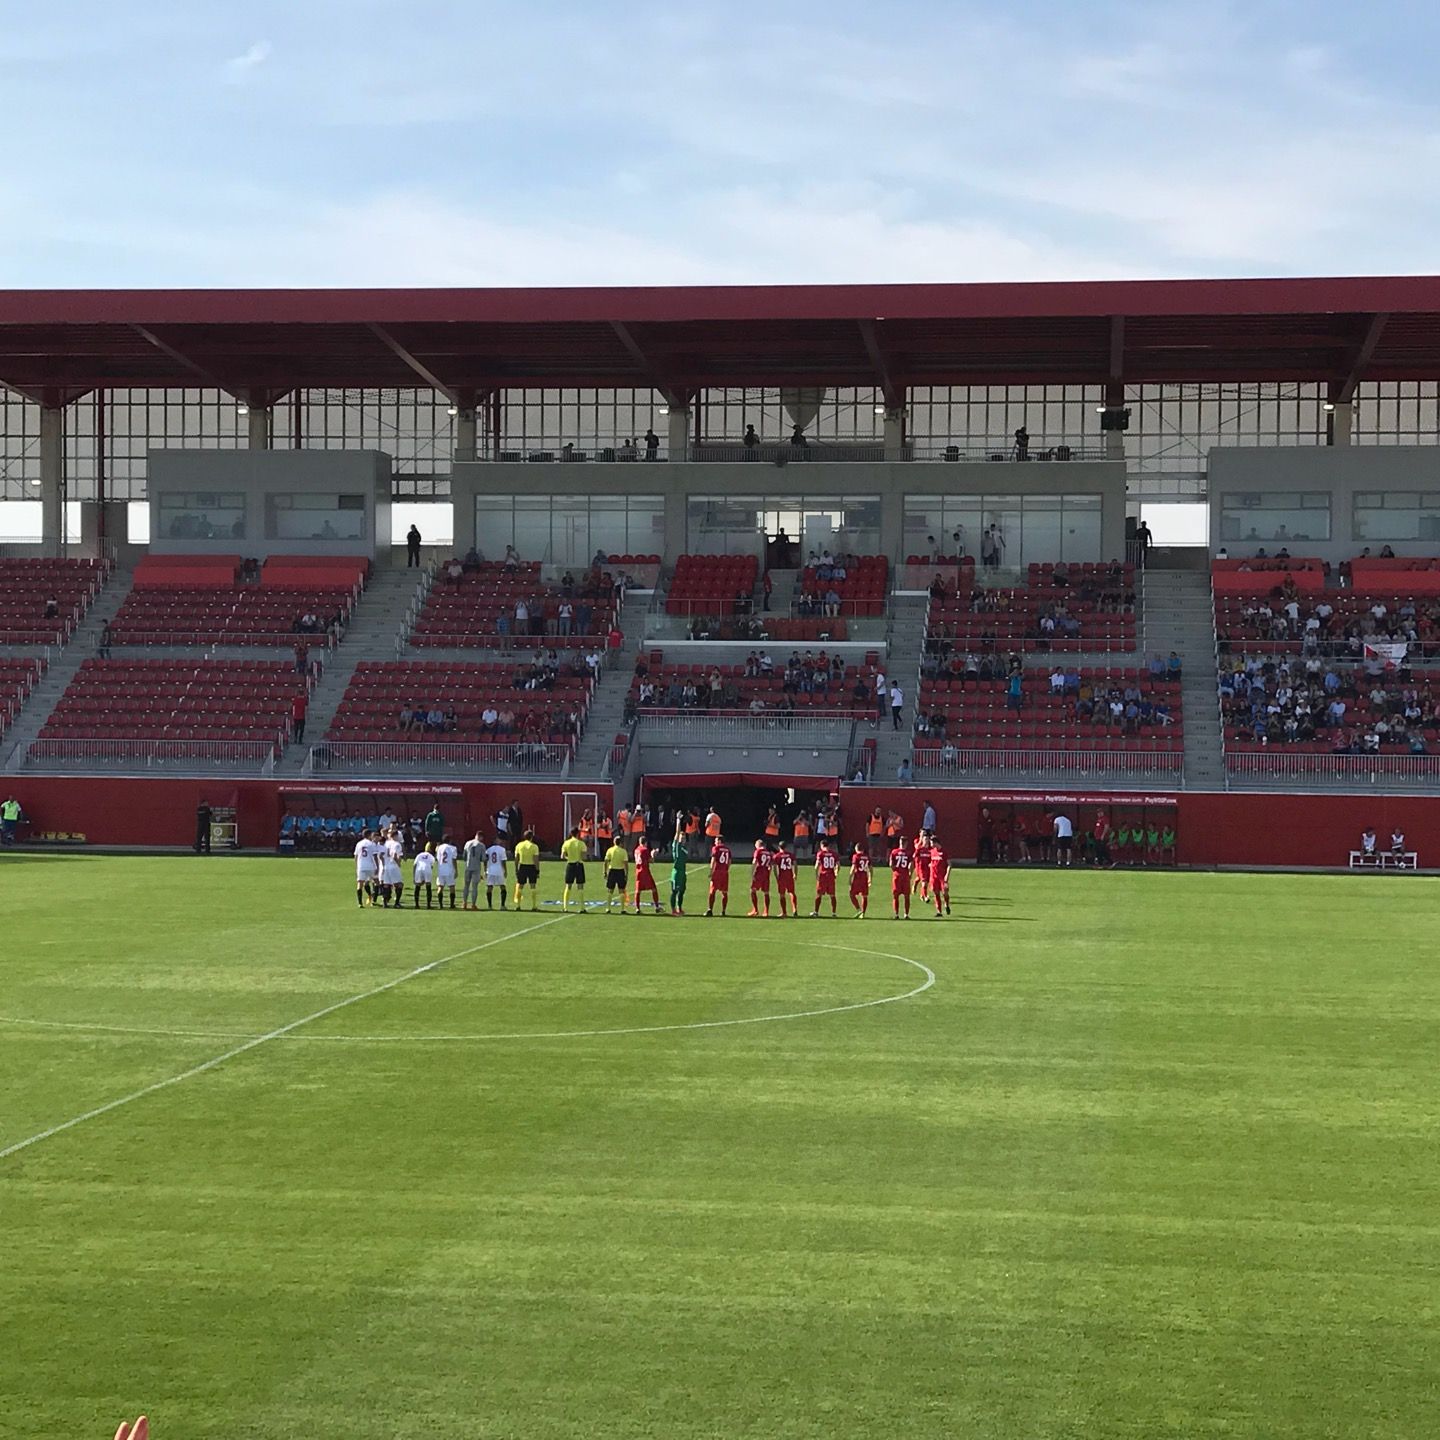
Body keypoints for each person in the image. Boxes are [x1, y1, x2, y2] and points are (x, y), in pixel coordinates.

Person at [560, 827, 589, 913]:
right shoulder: (581, 844)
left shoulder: (566, 843)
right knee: (580, 886)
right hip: (579, 865)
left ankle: (565, 907)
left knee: (568, 886)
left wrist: (569, 857)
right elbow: (584, 857)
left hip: (570, 865)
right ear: (577, 834)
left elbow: (562, 856)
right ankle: (582, 907)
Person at [632, 833, 663, 914]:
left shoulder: (636, 850)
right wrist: (653, 854)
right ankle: (656, 907)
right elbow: (651, 861)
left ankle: (637, 908)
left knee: (638, 890)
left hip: (638, 871)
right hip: (645, 871)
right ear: (645, 842)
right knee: (653, 888)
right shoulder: (645, 850)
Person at [512, 829, 541, 910]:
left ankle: (518, 905)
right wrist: (537, 870)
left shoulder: (519, 845)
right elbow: (536, 859)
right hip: (531, 867)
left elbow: (516, 858)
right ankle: (534, 906)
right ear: (531, 837)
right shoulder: (534, 846)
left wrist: (516, 868)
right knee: (533, 886)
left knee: (520, 886)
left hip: (522, 866)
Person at [811, 837, 839, 918]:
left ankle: (816, 912)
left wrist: (817, 875)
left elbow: (816, 866)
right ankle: (834, 913)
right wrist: (836, 873)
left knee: (819, 894)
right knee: (832, 895)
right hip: (831, 875)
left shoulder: (820, 853)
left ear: (822, 845)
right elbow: (838, 865)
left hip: (823, 875)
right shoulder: (834, 854)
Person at [706, 832, 732, 916]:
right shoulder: (727, 850)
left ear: (720, 841)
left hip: (717, 871)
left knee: (712, 891)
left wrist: (711, 871)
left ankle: (710, 910)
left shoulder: (715, 848)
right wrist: (726, 869)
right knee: (724, 892)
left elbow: (713, 860)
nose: (715, 842)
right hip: (724, 872)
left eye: (716, 840)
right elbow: (729, 861)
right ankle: (723, 911)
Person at [353, 828, 381, 908]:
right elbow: (375, 856)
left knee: (360, 884)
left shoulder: (359, 844)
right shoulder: (371, 844)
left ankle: (360, 903)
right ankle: (373, 900)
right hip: (370, 865)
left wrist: (357, 866)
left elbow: (356, 856)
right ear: (369, 835)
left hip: (361, 866)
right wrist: (377, 866)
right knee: (376, 882)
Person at [603, 833, 629, 912]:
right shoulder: (623, 851)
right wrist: (626, 873)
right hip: (620, 871)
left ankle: (608, 908)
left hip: (612, 871)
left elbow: (606, 862)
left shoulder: (610, 850)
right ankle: (622, 909)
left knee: (610, 890)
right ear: (620, 843)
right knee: (621, 890)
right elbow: (626, 864)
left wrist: (605, 872)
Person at [888, 834, 913, 919]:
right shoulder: (909, 853)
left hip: (897, 875)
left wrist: (895, 870)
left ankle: (896, 914)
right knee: (906, 896)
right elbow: (911, 865)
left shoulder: (894, 852)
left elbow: (891, 864)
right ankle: (906, 914)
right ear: (906, 843)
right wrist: (910, 873)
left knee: (896, 896)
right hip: (905, 875)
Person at [380, 827, 405, 908]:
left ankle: (385, 902)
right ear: (396, 836)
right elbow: (395, 855)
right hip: (393, 866)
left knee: (386, 884)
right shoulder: (397, 844)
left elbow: (381, 855)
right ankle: (397, 903)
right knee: (399, 884)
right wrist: (398, 863)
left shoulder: (386, 843)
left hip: (386, 866)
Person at [773, 839, 799, 918]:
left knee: (782, 894)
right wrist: (795, 874)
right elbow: (795, 865)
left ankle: (784, 912)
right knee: (792, 892)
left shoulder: (776, 856)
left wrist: (776, 876)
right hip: (789, 875)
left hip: (782, 876)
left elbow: (774, 867)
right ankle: (794, 909)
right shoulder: (791, 855)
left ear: (779, 847)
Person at [748, 838, 773, 918]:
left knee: (753, 890)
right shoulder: (768, 853)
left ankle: (755, 910)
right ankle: (766, 911)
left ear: (757, 845)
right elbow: (771, 865)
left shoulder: (758, 851)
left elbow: (754, 862)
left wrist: (752, 873)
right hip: (766, 873)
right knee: (766, 892)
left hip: (759, 872)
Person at [461, 830, 485, 910]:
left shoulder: (467, 843)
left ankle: (464, 903)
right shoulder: (482, 845)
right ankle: (473, 904)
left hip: (468, 866)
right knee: (474, 887)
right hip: (476, 867)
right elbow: (483, 858)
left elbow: (464, 856)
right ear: (480, 837)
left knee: (466, 886)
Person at [669, 827, 689, 915]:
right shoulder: (677, 846)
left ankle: (679, 908)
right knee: (674, 891)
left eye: (684, 838)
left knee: (682, 891)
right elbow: (676, 834)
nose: (682, 840)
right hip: (676, 872)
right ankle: (673, 909)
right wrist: (678, 821)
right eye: (681, 838)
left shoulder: (685, 848)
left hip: (683, 873)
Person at [848, 842, 872, 918]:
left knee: (852, 894)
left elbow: (853, 867)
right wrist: (870, 878)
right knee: (864, 896)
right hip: (864, 877)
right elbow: (871, 868)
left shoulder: (856, 856)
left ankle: (858, 909)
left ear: (856, 849)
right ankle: (863, 913)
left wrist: (850, 878)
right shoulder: (867, 857)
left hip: (857, 877)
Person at [929, 836, 950, 916]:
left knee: (945, 893)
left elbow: (949, 865)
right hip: (933, 876)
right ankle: (939, 911)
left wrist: (947, 876)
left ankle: (946, 905)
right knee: (936, 893)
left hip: (942, 877)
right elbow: (931, 862)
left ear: (935, 843)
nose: (930, 844)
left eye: (931, 843)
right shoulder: (932, 852)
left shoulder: (944, 852)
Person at [435, 836, 459, 909]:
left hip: (441, 870)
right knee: (452, 887)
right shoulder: (453, 848)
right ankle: (451, 904)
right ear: (450, 840)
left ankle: (440, 905)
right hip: (449, 869)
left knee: (440, 887)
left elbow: (438, 858)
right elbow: (454, 860)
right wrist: (456, 870)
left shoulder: (439, 848)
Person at [412, 844, 437, 908]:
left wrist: (414, 876)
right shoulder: (431, 856)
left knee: (417, 886)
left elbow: (414, 865)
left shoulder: (419, 855)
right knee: (428, 886)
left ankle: (416, 904)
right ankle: (428, 905)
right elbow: (431, 866)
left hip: (419, 869)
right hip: (427, 869)